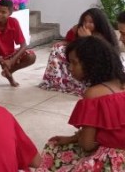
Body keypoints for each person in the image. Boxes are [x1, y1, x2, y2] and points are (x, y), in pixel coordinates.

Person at [37, 36, 125, 171]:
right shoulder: (121, 84)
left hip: (114, 160)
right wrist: (74, 137)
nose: (70, 68)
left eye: (74, 63)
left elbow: (87, 145)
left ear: (92, 63)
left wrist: (79, 139)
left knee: (54, 147)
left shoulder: (93, 94)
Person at [39, 8, 119, 96]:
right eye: (84, 21)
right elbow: (70, 41)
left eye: (91, 22)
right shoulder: (79, 28)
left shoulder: (103, 35)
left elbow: (98, 54)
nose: (86, 24)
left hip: (96, 66)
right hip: (78, 60)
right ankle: (56, 80)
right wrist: (64, 42)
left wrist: (88, 39)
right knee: (58, 49)